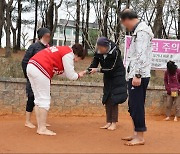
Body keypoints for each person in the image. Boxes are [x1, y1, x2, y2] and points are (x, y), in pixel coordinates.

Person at [27, 44, 86, 136]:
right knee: (44, 99)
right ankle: (42, 128)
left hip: (32, 66)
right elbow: (71, 75)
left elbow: (63, 72)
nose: (77, 61)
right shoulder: (68, 54)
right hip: (41, 68)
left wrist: (76, 74)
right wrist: (78, 75)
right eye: (79, 59)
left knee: (38, 99)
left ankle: (40, 126)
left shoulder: (63, 50)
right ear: (78, 55)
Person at [120, 9, 154, 146]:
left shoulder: (142, 32)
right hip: (134, 74)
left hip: (138, 75)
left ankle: (140, 137)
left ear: (126, 20)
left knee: (137, 105)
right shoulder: (137, 31)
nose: (124, 26)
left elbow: (141, 55)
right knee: (133, 105)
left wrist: (137, 75)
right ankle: (136, 132)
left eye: (123, 23)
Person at [87, 37, 127, 131]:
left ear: (106, 47)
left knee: (114, 98)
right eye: (98, 48)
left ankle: (114, 123)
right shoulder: (98, 51)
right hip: (107, 75)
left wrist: (98, 70)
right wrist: (87, 71)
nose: (99, 50)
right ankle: (108, 121)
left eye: (101, 48)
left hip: (117, 76)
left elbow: (112, 68)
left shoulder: (116, 52)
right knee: (107, 97)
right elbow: (94, 63)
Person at [22, 27, 51, 128]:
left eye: (49, 36)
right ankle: (27, 121)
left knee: (43, 98)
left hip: (44, 78)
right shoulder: (33, 47)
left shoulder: (48, 48)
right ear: (41, 36)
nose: (48, 38)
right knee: (31, 98)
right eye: (46, 36)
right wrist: (28, 76)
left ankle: (41, 122)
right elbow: (25, 61)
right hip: (33, 77)